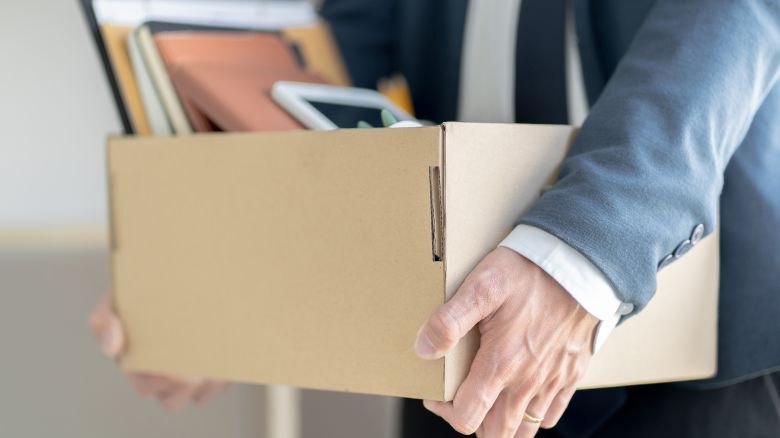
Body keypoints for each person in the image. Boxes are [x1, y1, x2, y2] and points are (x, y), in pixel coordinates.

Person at [92, 0, 780, 436]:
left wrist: (589, 251)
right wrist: (224, 274)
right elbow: (342, 59)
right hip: (449, 336)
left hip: (700, 348)